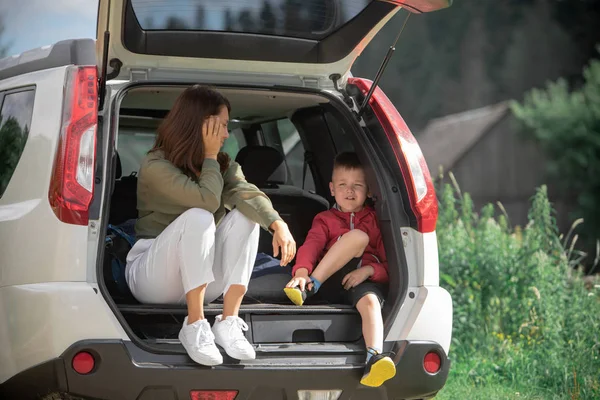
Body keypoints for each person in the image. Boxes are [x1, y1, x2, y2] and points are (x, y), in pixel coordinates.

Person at [125, 85, 296, 367]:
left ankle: (229, 321)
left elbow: (247, 193)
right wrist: (209, 157)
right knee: (199, 216)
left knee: (246, 215)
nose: (227, 135)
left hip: (203, 280)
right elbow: (205, 200)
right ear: (200, 124)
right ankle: (194, 325)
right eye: (223, 125)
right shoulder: (155, 165)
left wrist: (277, 224)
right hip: (152, 278)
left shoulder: (222, 165)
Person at [283, 152, 395, 387]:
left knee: (371, 302)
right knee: (357, 237)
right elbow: (311, 246)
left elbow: (388, 265)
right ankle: (311, 285)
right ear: (332, 189)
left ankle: (374, 357)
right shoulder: (325, 219)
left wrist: (369, 271)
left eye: (357, 186)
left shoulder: (375, 220)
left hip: (360, 282)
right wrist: (302, 272)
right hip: (331, 280)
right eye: (343, 185)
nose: (350, 191)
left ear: (369, 190)